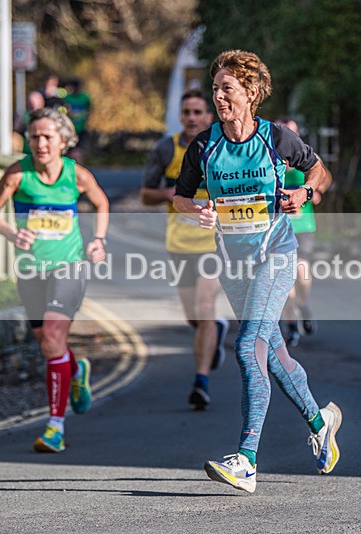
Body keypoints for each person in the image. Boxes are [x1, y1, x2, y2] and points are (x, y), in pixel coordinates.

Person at [173, 49, 340, 493]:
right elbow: (179, 197)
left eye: (227, 88)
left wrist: (303, 192)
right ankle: (321, 422)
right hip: (234, 266)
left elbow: (319, 171)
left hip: (276, 255)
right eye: (216, 88)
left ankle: (245, 460)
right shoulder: (205, 145)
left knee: (249, 348)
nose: (219, 96)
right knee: (276, 356)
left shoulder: (275, 138)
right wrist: (197, 210)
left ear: (250, 93)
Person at [0, 107, 110, 452]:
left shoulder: (76, 174)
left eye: (47, 137)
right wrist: (13, 234)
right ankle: (76, 369)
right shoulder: (17, 174)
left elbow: (101, 202)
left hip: (68, 267)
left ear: (63, 141)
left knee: (53, 336)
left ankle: (55, 426)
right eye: (34, 137)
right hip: (30, 271)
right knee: (48, 344)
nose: (40, 143)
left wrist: (98, 240)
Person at [141, 89, 229, 411]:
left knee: (205, 306)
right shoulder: (166, 149)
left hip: (214, 243)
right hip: (179, 244)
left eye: (198, 112)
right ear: (180, 117)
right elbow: (145, 195)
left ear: (208, 117)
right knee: (194, 317)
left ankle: (201, 381)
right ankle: (216, 329)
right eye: (186, 112)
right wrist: (172, 193)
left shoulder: (220, 148)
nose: (192, 118)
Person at [275, 117, 321, 347]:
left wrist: (311, 190)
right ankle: (291, 324)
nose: (288, 138)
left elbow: (323, 176)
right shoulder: (270, 158)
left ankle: (303, 305)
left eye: (292, 133)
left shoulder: (305, 156)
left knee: (302, 273)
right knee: (284, 278)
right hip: (278, 225)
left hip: (303, 224)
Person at [63, 79, 91, 164]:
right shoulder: (67, 98)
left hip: (81, 128)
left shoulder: (85, 98)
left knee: (78, 150)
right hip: (70, 128)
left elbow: (89, 110)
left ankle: (79, 167)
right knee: (68, 150)